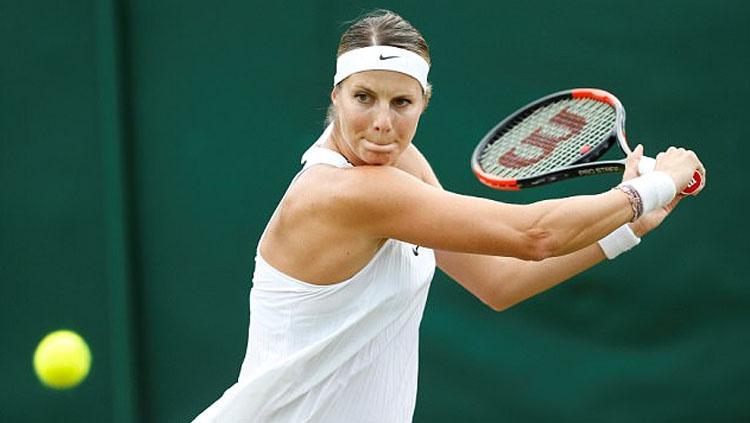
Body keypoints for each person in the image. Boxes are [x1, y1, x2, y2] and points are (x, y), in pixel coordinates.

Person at [193, 9, 705, 423]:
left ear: (423, 104)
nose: (381, 123)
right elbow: (535, 234)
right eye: (363, 97)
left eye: (401, 103)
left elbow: (499, 281)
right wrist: (654, 185)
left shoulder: (401, 164)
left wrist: (628, 226)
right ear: (335, 96)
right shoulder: (342, 193)